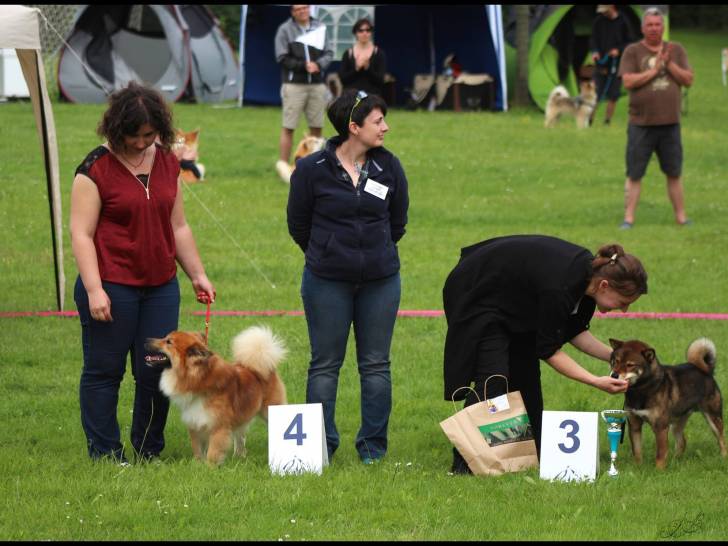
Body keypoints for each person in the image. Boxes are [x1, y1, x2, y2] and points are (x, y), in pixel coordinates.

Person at [70, 81, 216, 464]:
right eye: (132, 136)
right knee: (105, 370)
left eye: (148, 135)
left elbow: (179, 225)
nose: (140, 143)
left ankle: (149, 449)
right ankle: (106, 453)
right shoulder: (93, 170)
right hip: (111, 285)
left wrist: (197, 274)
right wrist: (94, 289)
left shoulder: (168, 161)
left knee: (155, 372)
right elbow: (81, 234)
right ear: (116, 130)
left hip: (160, 286)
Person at [442, 235, 648, 474]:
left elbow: (574, 331)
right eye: (623, 301)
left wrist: (620, 358)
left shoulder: (586, 285)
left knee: (526, 376)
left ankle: (528, 454)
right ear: (604, 285)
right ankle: (464, 465)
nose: (623, 309)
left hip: (514, 302)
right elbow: (549, 350)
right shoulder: (561, 286)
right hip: (476, 291)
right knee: (494, 378)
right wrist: (594, 380)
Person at [287, 89, 409, 464]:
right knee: (324, 364)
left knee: (375, 365)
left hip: (381, 281)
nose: (385, 127)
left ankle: (372, 448)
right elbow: (298, 224)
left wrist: (374, 253)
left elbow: (398, 222)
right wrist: (327, 254)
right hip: (326, 281)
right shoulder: (311, 169)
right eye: (377, 122)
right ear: (353, 127)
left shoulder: (390, 166)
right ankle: (319, 446)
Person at [618, 7, 693, 229]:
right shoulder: (632, 51)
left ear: (663, 27)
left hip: (670, 123)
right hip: (641, 124)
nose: (654, 29)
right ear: (642, 28)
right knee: (634, 173)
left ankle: (681, 217)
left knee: (674, 172)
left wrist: (668, 64)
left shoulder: (676, 50)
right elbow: (628, 82)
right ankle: (628, 218)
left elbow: (688, 79)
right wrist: (654, 70)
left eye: (657, 24)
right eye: (649, 25)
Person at [274, 5, 333, 177]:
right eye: (298, 9)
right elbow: (281, 56)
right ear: (292, 12)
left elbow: (329, 52)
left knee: (317, 126)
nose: (302, 11)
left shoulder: (320, 27)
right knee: (289, 126)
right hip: (294, 85)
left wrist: (318, 65)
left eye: (305, 7)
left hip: (317, 84)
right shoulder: (285, 30)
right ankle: (283, 167)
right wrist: (302, 66)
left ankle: (317, 167)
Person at [589, 5, 635, 125]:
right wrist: (595, 52)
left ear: (612, 7)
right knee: (595, 93)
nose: (603, 13)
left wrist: (618, 50)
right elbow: (593, 39)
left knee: (613, 95)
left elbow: (630, 42)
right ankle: (588, 120)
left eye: (606, 11)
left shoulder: (624, 21)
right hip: (601, 63)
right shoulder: (598, 21)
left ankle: (607, 121)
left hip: (617, 64)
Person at [338, 18, 387, 97]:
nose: (364, 33)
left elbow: (380, 80)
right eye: (361, 30)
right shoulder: (348, 53)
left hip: (372, 97)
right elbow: (343, 79)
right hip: (351, 97)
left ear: (371, 32)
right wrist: (356, 69)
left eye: (368, 30)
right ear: (355, 33)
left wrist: (368, 68)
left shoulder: (379, 53)